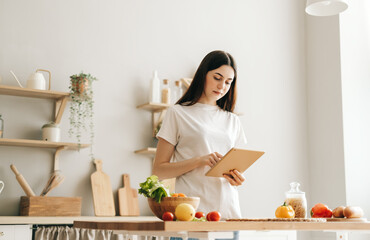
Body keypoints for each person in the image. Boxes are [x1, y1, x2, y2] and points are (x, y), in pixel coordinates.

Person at [153, 50, 247, 239]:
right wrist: (199, 161)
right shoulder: (178, 113)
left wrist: (237, 178)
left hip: (228, 215)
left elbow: (237, 167)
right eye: (217, 78)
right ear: (203, 74)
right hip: (191, 216)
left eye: (228, 82)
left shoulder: (232, 120)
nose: (222, 86)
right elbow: (159, 171)